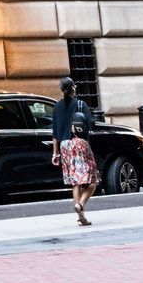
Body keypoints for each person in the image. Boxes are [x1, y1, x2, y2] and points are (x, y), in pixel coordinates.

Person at [51, 76, 99, 226]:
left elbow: (54, 132)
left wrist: (55, 153)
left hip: (64, 146)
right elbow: (91, 124)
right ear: (73, 88)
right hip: (79, 144)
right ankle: (81, 204)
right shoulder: (80, 104)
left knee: (75, 183)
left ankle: (81, 218)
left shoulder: (57, 107)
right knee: (93, 180)